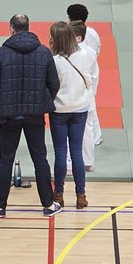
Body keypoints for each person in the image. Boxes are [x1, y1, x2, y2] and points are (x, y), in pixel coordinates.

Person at [0, 13, 60, 219]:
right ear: (28, 27)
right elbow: (54, 83)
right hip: (35, 115)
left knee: (5, 159)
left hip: (9, 116)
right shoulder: (44, 52)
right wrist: (42, 101)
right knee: (40, 158)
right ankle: (48, 205)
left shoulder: (1, 53)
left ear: (11, 28)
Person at [48, 20, 94, 209]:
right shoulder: (84, 54)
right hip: (80, 108)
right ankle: (81, 195)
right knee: (77, 152)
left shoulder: (54, 61)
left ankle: (58, 194)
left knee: (60, 152)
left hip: (59, 110)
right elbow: (88, 80)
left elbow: (51, 85)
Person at [67, 4, 103, 147]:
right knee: (90, 106)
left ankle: (94, 136)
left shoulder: (67, 33)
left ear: (70, 18)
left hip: (79, 71)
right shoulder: (92, 33)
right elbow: (98, 49)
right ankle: (96, 136)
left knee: (87, 108)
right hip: (89, 68)